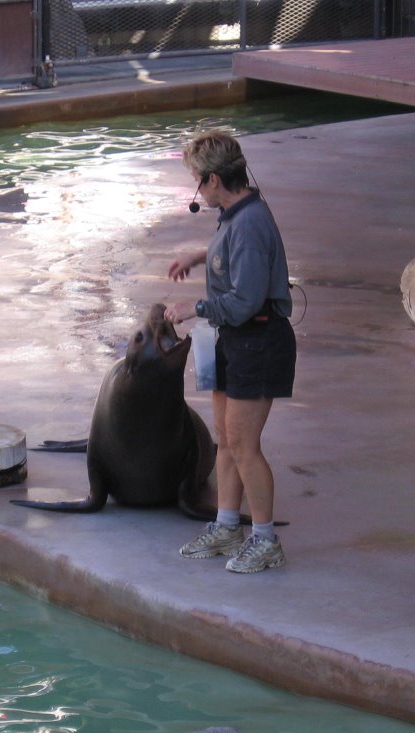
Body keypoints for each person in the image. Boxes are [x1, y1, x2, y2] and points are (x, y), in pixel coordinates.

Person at [165, 129, 297, 574]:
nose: (197, 190)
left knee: (244, 444)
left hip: (257, 342)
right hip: (235, 340)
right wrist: (200, 257)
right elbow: (235, 251)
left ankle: (265, 539)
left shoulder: (252, 223)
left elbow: (245, 301)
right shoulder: (235, 213)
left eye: (197, 181)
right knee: (225, 438)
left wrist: (194, 308)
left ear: (215, 180)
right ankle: (226, 526)